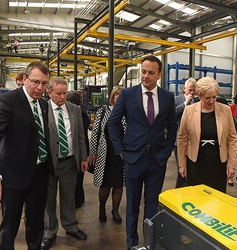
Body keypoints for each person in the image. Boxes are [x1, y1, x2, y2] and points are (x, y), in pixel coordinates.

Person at [0, 62, 54, 249]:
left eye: (44, 83)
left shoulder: (43, 104)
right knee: (10, 225)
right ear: (24, 79)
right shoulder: (8, 101)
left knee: (36, 223)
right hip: (13, 176)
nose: (40, 88)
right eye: (36, 82)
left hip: (39, 173)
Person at [107, 56, 177, 249]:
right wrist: (119, 149)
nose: (145, 76)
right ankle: (132, 244)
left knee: (152, 206)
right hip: (133, 158)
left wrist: (167, 151)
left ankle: (150, 242)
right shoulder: (128, 95)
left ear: (159, 75)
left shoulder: (167, 97)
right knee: (132, 205)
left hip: (157, 160)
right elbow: (112, 123)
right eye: (143, 71)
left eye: (150, 73)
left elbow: (172, 127)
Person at [41, 78, 88, 249]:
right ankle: (49, 231)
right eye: (58, 93)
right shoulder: (42, 109)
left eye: (64, 93)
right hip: (49, 163)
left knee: (69, 196)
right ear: (49, 92)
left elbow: (81, 136)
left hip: (69, 162)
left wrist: (83, 158)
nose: (62, 97)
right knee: (49, 199)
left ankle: (70, 226)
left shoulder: (75, 109)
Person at [177, 76, 237, 193]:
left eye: (214, 97)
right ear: (199, 96)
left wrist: (232, 164)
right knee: (196, 199)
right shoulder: (189, 111)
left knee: (217, 201)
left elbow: (232, 139)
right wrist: (182, 164)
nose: (211, 101)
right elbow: (182, 139)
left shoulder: (226, 110)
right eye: (207, 98)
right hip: (195, 164)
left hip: (218, 164)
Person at [89, 86, 125, 225]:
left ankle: (115, 211)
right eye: (117, 95)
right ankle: (102, 208)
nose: (119, 97)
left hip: (120, 155)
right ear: (112, 96)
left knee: (118, 185)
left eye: (121, 95)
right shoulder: (103, 111)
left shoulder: (126, 113)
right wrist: (93, 152)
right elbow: (95, 133)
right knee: (104, 185)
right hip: (105, 154)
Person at [67, 90, 90, 208]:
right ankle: (79, 198)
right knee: (79, 177)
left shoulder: (75, 113)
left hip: (78, 148)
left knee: (75, 178)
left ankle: (76, 200)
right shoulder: (83, 113)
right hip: (84, 146)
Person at [174, 77, 197, 188]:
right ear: (184, 89)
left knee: (191, 167)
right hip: (179, 139)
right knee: (181, 168)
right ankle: (179, 190)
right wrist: (185, 103)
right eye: (189, 90)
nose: (192, 93)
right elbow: (173, 115)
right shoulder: (176, 99)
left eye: (193, 90)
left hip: (193, 139)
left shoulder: (197, 102)